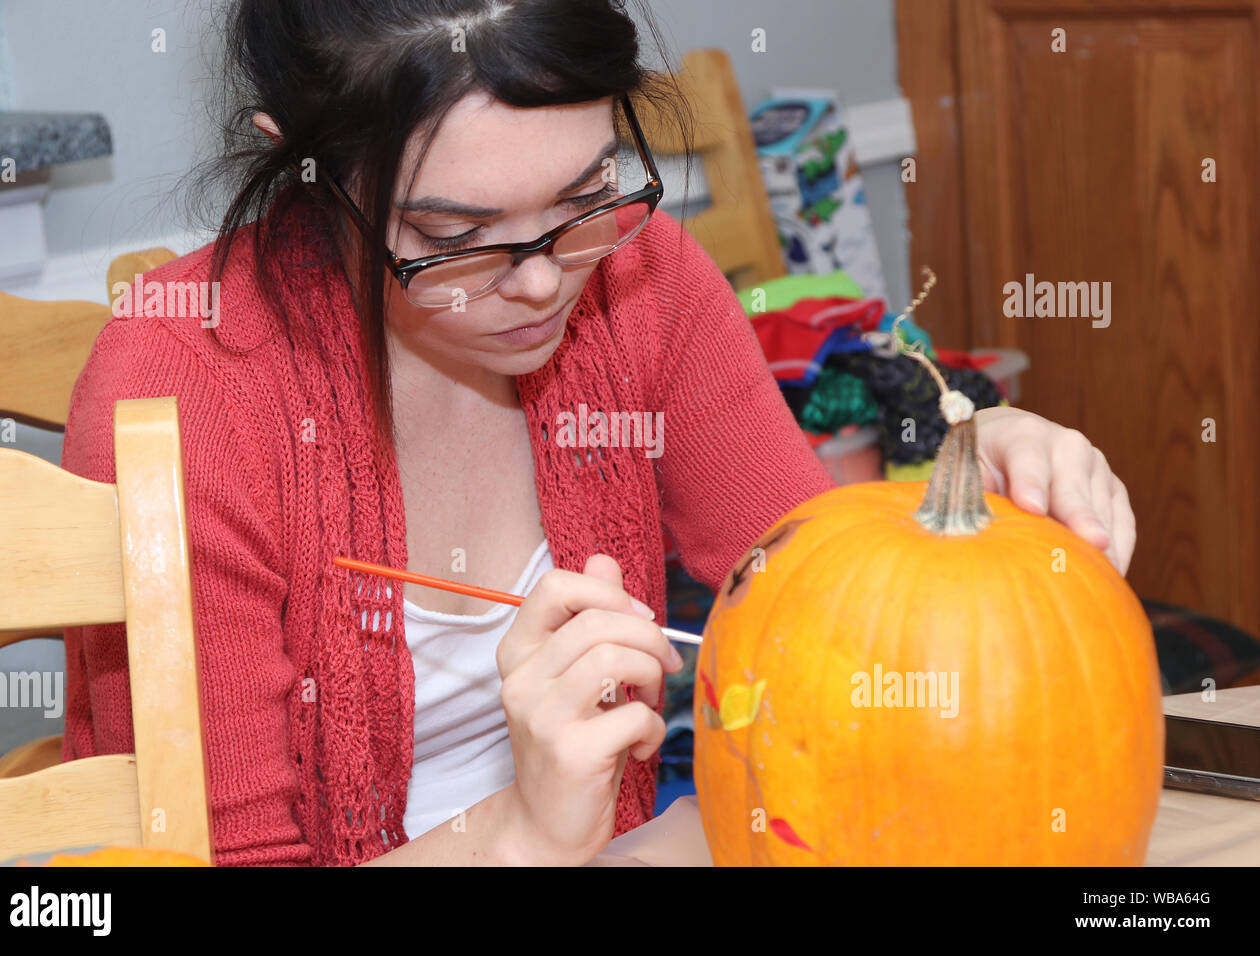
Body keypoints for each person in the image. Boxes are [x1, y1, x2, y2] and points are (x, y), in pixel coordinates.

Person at [61, 0, 1134, 866]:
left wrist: (961, 504)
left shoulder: (643, 280)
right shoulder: (184, 388)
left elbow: (823, 604)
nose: (539, 283)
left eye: (584, 197)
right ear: (304, 168)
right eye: (454, 235)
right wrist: (523, 832)